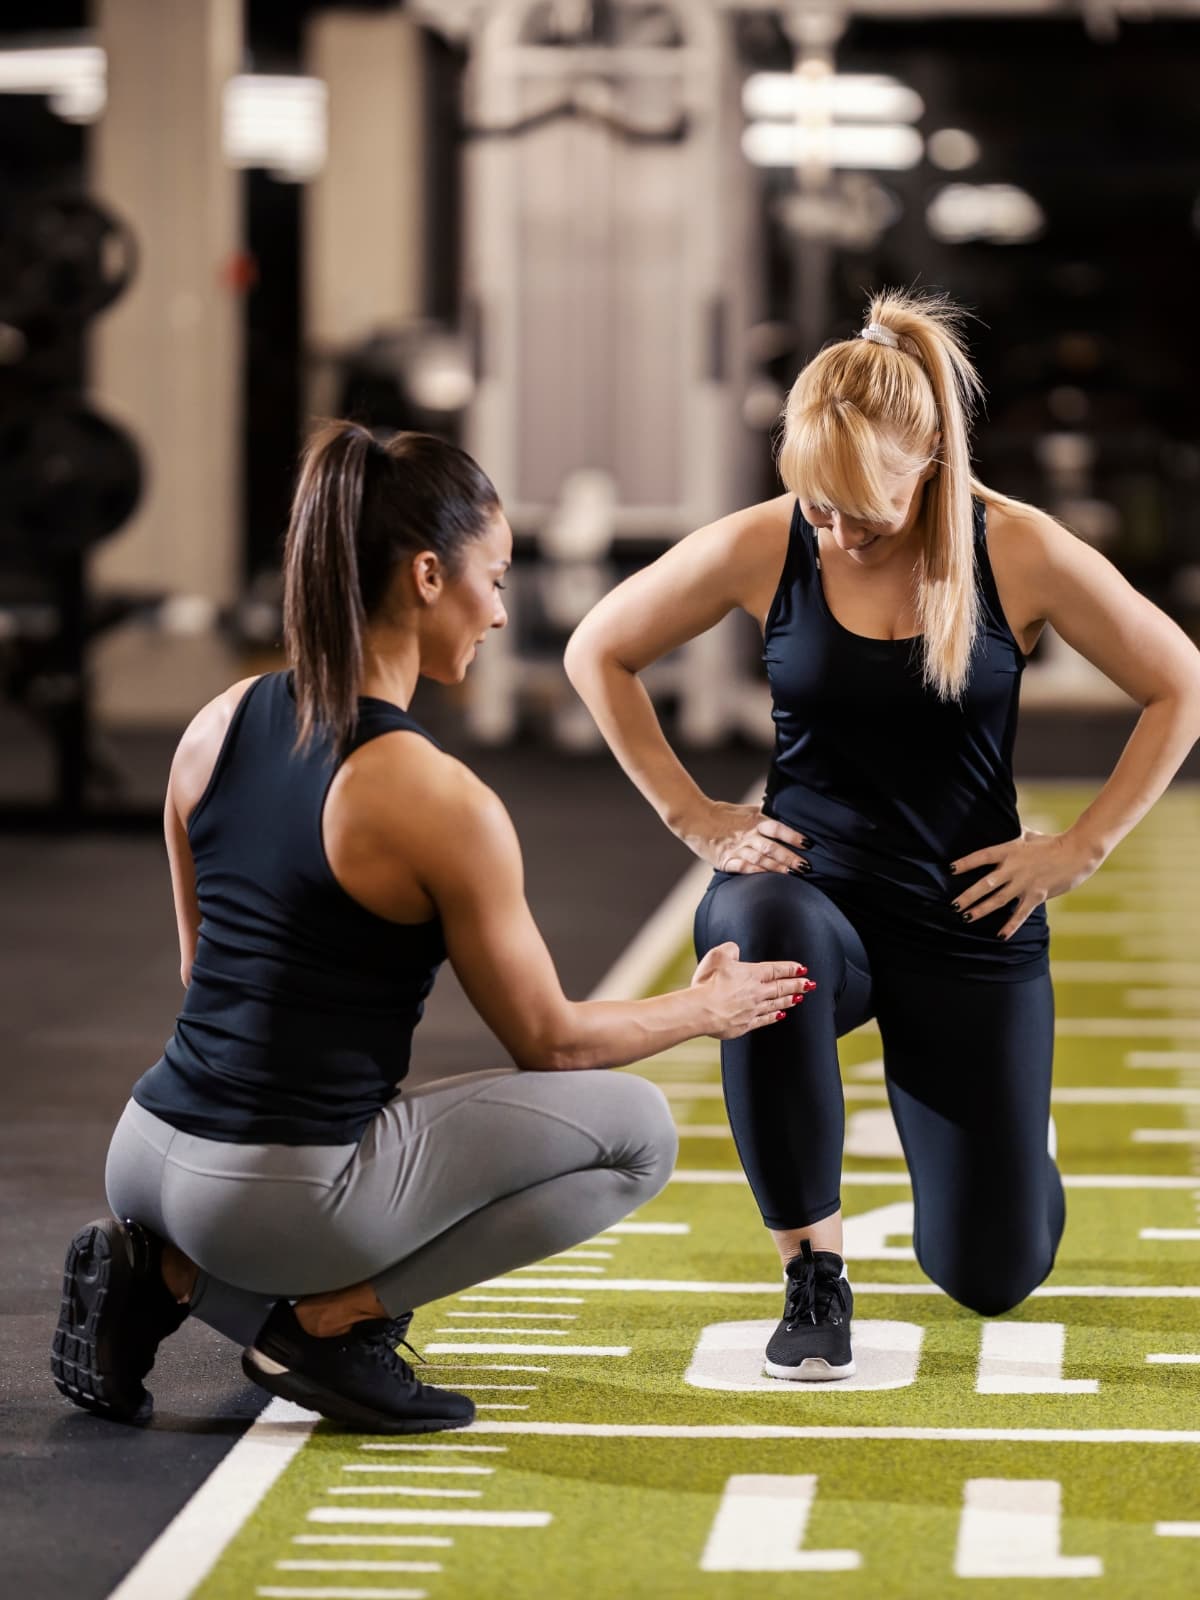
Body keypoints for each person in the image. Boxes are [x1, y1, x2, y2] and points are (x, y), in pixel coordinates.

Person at [50, 422, 811, 1434]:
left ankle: (167, 1272)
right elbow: (551, 1043)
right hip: (272, 1198)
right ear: (424, 575)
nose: (499, 611)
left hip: (144, 1150)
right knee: (635, 1135)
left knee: (402, 1116)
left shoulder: (218, 720)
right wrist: (709, 1006)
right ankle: (328, 1327)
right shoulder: (436, 799)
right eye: (491, 579)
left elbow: (203, 968)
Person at [564, 287, 1200, 1382]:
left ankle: (1006, 1166)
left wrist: (1080, 846)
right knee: (760, 934)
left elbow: (1177, 681)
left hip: (967, 918)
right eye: (817, 505)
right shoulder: (770, 545)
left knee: (992, 1272)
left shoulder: (1022, 551)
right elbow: (599, 650)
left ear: (933, 467)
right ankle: (815, 1274)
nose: (837, 533)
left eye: (866, 511)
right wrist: (695, 814)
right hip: (813, 899)